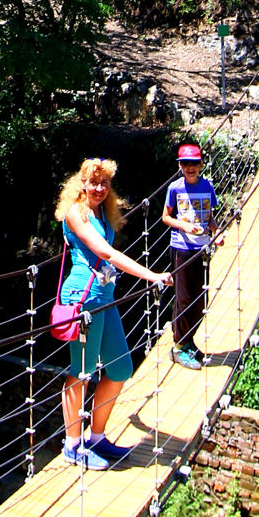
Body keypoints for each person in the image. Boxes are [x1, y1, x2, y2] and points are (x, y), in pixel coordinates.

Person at [55, 157, 168, 469]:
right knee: (81, 372)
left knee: (120, 368)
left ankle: (97, 437)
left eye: (104, 183)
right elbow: (105, 252)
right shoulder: (75, 212)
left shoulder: (103, 211)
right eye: (93, 182)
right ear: (82, 183)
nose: (99, 188)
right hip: (82, 298)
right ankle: (72, 444)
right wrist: (151, 275)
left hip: (104, 296)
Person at [162, 139, 219, 368]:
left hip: (202, 247)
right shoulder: (174, 188)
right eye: (185, 163)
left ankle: (188, 341)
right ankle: (178, 346)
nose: (190, 167)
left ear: (201, 164)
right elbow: (166, 217)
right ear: (180, 165)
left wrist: (217, 232)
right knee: (184, 297)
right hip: (182, 248)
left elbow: (209, 217)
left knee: (200, 298)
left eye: (194, 163)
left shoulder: (208, 187)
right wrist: (183, 226)